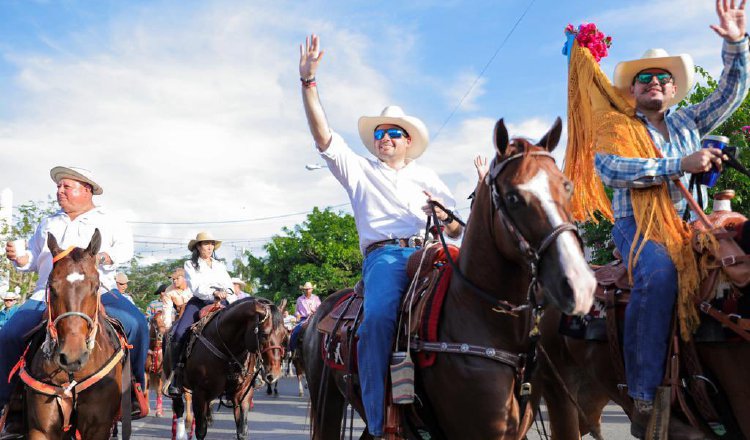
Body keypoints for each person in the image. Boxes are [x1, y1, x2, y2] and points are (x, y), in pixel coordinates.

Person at [586, 3, 750, 437]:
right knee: (658, 273)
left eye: (663, 78)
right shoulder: (616, 126)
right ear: (633, 89)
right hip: (635, 227)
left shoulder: (689, 120)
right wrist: (680, 163)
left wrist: (735, 43)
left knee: (739, 261)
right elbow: (610, 169)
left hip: (691, 225)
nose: (655, 82)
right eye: (645, 78)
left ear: (674, 88)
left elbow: (732, 93)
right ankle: (644, 393)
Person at [299, 34, 462, 438]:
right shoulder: (360, 171)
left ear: (408, 141)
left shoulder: (429, 177)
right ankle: (379, 421)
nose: (385, 137)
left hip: (433, 252)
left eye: (394, 132)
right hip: (386, 258)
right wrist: (308, 84)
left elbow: (459, 226)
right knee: (378, 319)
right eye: (380, 133)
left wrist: (446, 217)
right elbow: (324, 138)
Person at [0, 166, 148, 437]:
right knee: (9, 334)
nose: (60, 191)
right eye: (59, 187)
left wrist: (102, 257)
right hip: (48, 295)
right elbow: (33, 258)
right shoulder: (48, 222)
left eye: (67, 186)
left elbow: (125, 248)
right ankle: (8, 403)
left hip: (99, 291)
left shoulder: (110, 219)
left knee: (137, 324)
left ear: (87, 190)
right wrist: (20, 259)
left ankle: (135, 388)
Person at [166, 231, 235, 397]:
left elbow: (229, 285)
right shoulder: (190, 264)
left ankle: (239, 373)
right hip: (199, 302)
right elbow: (196, 287)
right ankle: (177, 375)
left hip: (223, 302)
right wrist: (214, 294)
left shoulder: (220, 265)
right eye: (206, 243)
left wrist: (229, 296)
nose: (209, 247)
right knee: (178, 333)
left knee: (239, 329)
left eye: (211, 243)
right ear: (198, 246)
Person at [288, 281, 321, 352]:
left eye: (309, 289)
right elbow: (297, 310)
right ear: (303, 290)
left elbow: (320, 309)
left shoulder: (316, 298)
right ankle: (292, 350)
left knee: (323, 331)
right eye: (306, 289)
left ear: (312, 289)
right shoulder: (300, 299)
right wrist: (298, 315)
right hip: (303, 319)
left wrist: (315, 311)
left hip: (315, 318)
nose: (307, 290)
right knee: (295, 332)